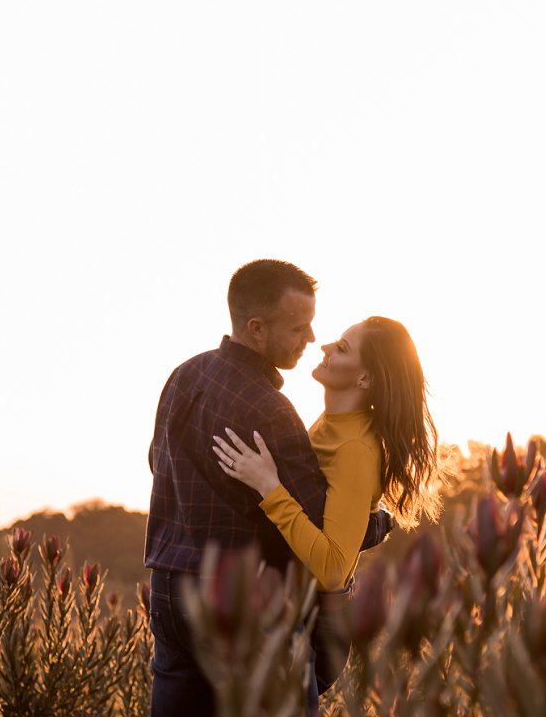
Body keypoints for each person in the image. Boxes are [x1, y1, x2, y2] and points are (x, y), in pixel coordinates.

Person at [144, 259, 392, 717]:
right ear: (257, 329)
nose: (311, 340)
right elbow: (319, 525)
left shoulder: (183, 376)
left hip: (168, 594)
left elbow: (155, 462)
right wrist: (377, 525)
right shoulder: (272, 411)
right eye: (299, 328)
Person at [212, 315, 443, 693]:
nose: (324, 347)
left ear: (365, 379)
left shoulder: (354, 447)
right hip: (297, 607)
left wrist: (269, 487)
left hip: (320, 624)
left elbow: (334, 569)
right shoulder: (334, 422)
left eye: (342, 348)